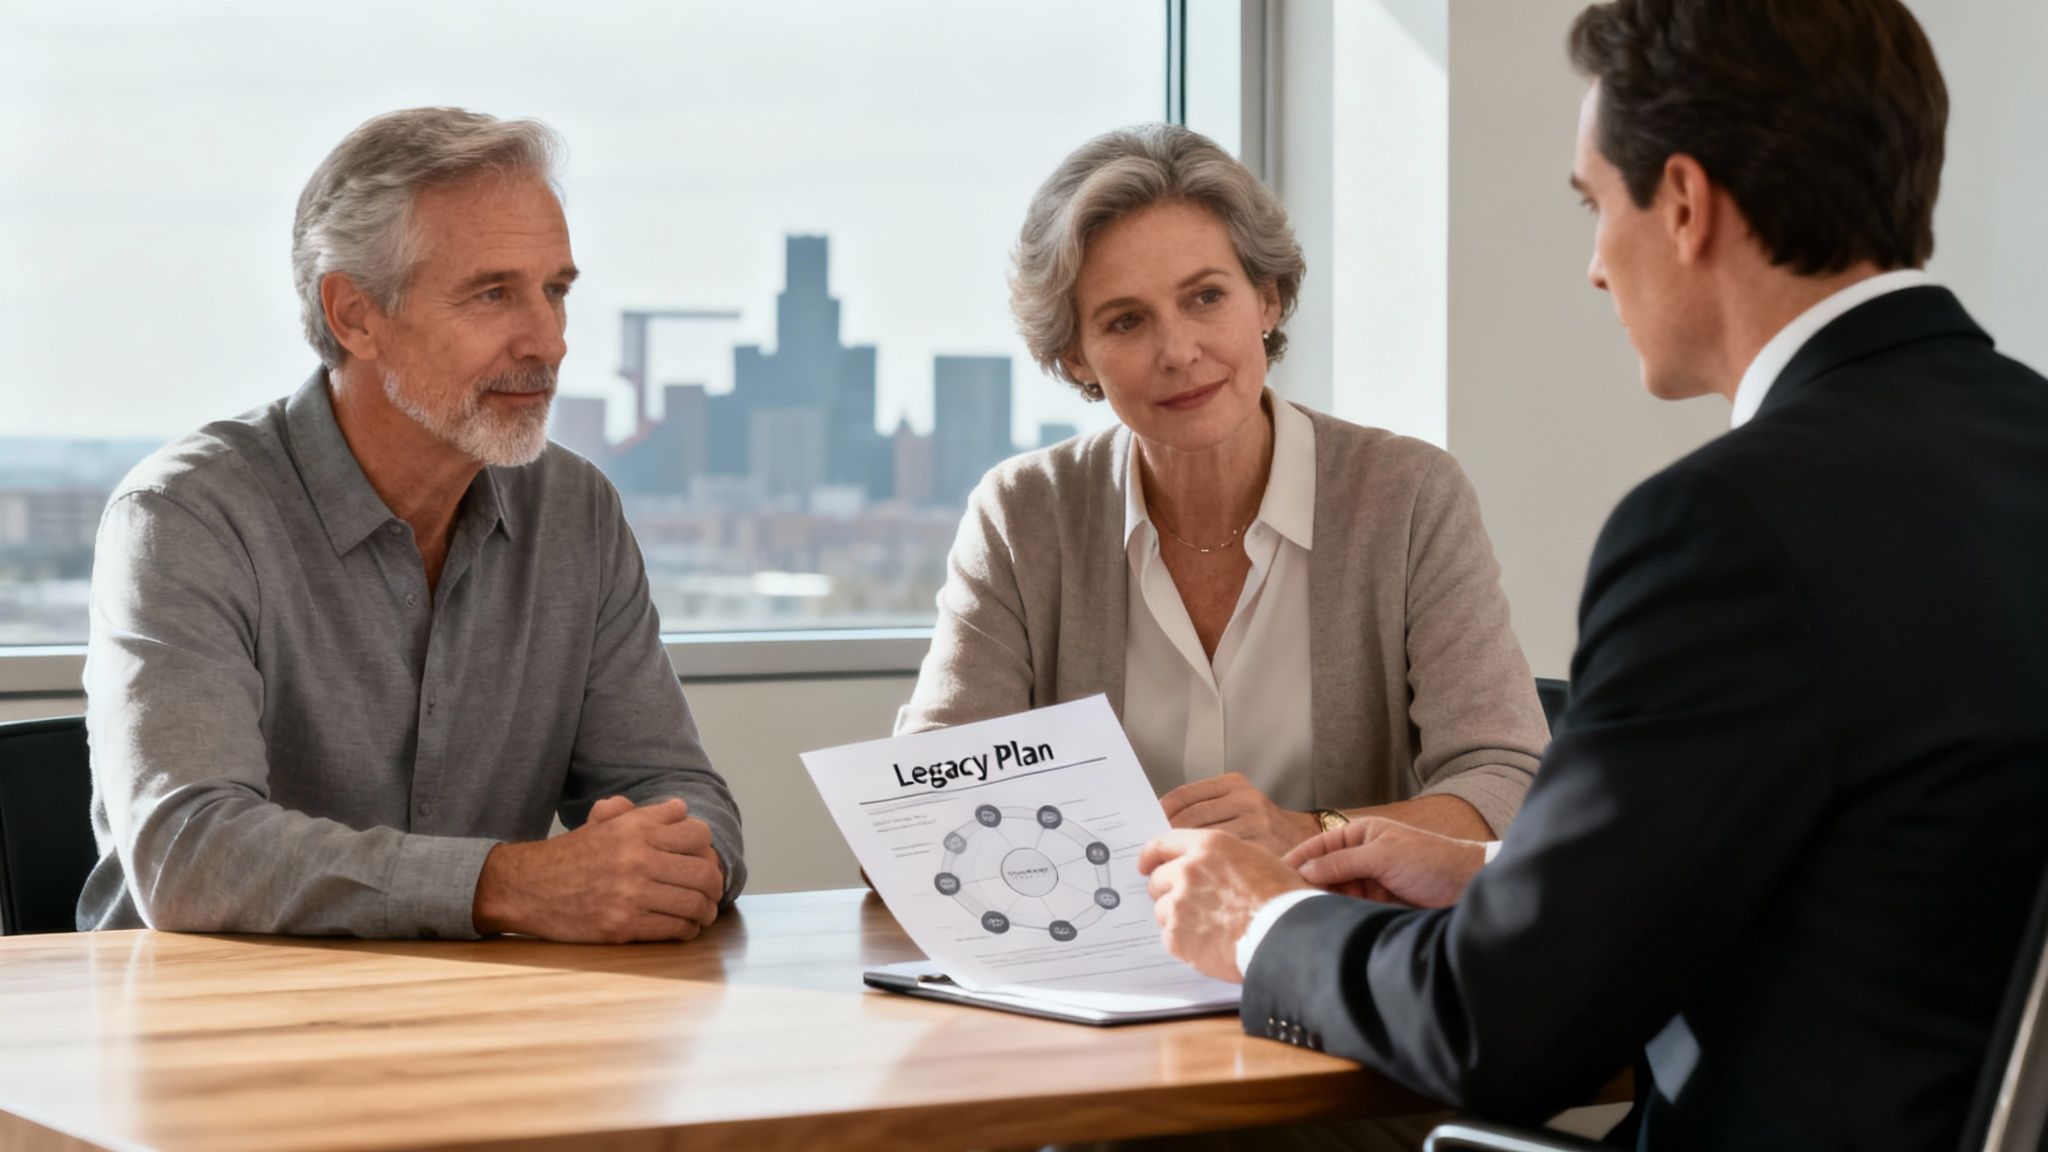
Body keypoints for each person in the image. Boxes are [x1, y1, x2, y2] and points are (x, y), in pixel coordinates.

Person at [1141, 0, 2048, 1146]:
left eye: (1592, 204)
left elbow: (1501, 1029)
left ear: (1680, 202)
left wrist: (1261, 922)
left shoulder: (1722, 529)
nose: (1591, 268)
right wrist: (1501, 874)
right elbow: (1887, 861)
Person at [78, 107, 745, 942]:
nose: (549, 340)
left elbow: (680, 791)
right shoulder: (186, 517)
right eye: (493, 293)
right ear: (356, 315)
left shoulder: (576, 512)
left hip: (481, 1025)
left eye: (556, 290)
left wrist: (672, 862)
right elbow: (189, 853)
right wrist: (505, 883)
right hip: (209, 1033)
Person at [899, 125, 1547, 855]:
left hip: (1338, 946)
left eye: (1206, 296)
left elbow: (1510, 785)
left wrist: (1303, 835)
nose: (1178, 351)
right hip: (1099, 958)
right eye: (1127, 320)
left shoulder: (1407, 495)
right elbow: (927, 802)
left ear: (1266, 300)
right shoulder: (1023, 514)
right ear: (1077, 356)